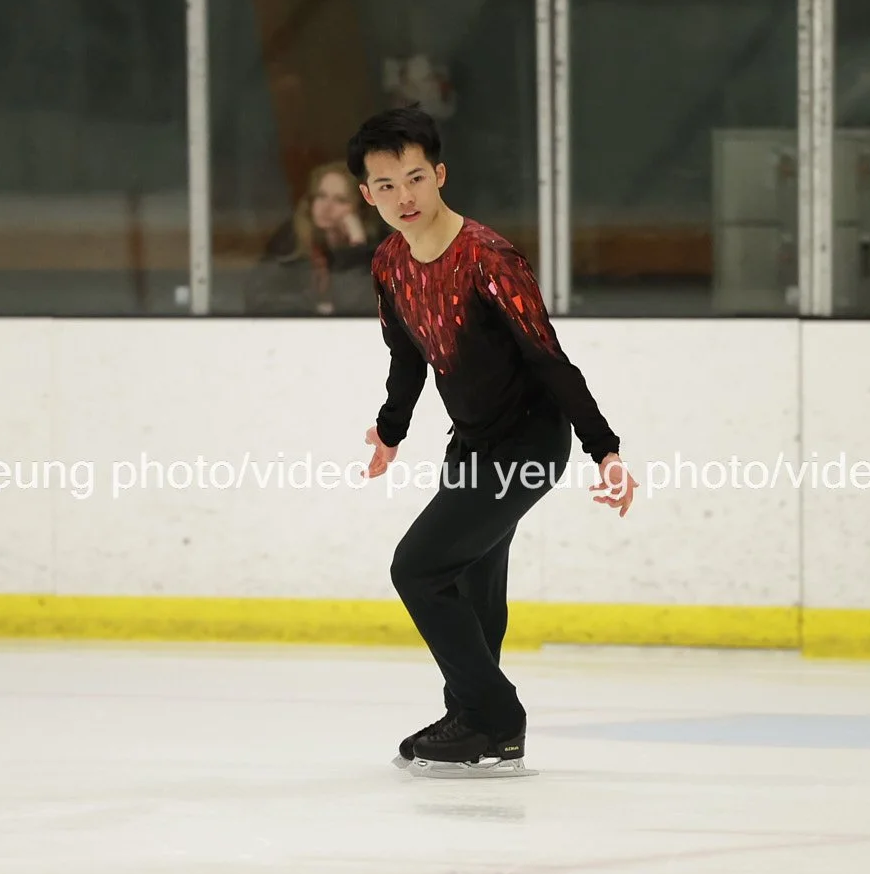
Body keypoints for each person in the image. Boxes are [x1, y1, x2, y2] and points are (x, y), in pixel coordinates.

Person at [349, 104, 636, 777]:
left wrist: (605, 449)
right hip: (473, 442)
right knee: (475, 586)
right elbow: (406, 356)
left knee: (418, 568)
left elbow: (547, 357)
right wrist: (391, 429)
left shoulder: (487, 257)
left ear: (440, 175)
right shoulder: (390, 262)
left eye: (415, 178)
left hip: (529, 443)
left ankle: (495, 716)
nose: (404, 196)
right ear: (367, 195)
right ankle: (474, 723)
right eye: (386, 185)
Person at [242, 162, 378, 316]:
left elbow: (363, 306)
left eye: (340, 200)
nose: (326, 207)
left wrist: (357, 248)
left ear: (360, 209)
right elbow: (261, 298)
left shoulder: (379, 248)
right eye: (321, 196)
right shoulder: (290, 240)